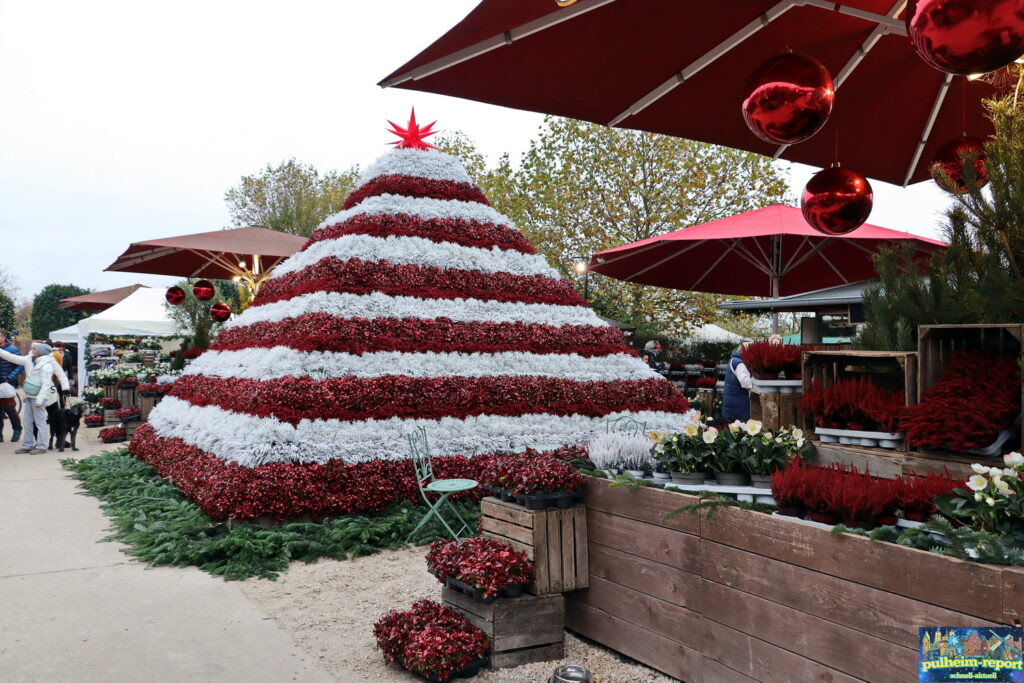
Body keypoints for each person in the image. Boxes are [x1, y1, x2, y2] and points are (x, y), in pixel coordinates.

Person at [0, 342, 69, 454]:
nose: (31, 350)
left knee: (41, 421)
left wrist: (65, 388)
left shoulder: (47, 364)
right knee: (27, 421)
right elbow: (12, 357)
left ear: (40, 351)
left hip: (41, 396)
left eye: (34, 348)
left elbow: (49, 382)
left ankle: (42, 446)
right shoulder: (29, 359)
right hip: (30, 395)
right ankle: (27, 445)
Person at [0, 331, 23, 443]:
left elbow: (20, 366)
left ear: (3, 338)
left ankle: (17, 429)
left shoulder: (13, 350)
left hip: (7, 383)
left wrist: (10, 378)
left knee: (9, 408)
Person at [722, 342, 753, 423]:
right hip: (739, 406)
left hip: (733, 404)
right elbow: (745, 382)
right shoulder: (739, 363)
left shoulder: (734, 360)